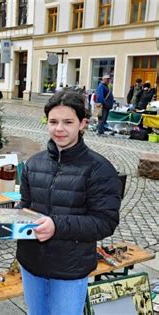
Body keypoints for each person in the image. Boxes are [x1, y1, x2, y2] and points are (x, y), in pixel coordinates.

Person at [17, 90, 121, 315]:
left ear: (82, 123)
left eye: (68, 122)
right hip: (31, 263)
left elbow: (105, 222)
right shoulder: (33, 164)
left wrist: (56, 225)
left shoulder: (99, 169)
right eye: (53, 121)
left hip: (70, 268)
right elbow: (24, 206)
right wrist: (8, 221)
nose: (59, 129)